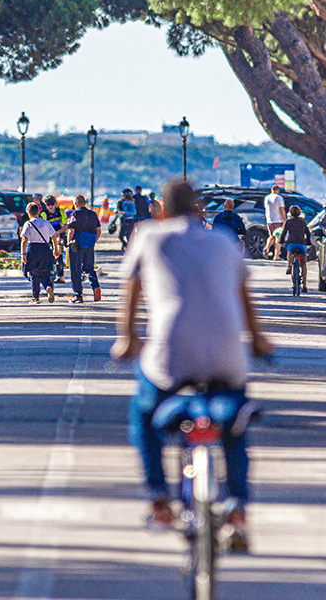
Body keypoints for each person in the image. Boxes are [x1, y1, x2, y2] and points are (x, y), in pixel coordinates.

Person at [111, 181, 273, 548]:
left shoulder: (150, 236)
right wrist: (259, 341)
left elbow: (131, 292)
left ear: (162, 210)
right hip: (226, 356)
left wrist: (127, 339)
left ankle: (158, 500)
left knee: (144, 414)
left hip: (170, 354)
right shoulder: (223, 241)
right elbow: (243, 298)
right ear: (199, 208)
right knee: (234, 426)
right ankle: (237, 509)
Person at [21, 202, 60, 304]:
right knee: (44, 272)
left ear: (29, 213)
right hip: (45, 249)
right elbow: (54, 236)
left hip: (33, 249)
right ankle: (48, 287)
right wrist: (56, 249)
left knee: (34, 273)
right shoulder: (46, 223)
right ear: (39, 212)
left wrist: (23, 254)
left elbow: (24, 239)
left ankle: (36, 297)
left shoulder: (28, 224)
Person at [66, 194, 102, 304]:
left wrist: (68, 243)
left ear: (75, 204)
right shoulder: (93, 214)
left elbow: (71, 231)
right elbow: (98, 230)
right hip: (89, 244)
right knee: (89, 268)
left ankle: (78, 295)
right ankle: (95, 286)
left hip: (77, 245)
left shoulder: (74, 214)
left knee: (75, 270)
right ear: (85, 203)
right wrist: (93, 242)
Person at [281, 205, 311, 291]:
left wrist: (282, 241)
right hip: (302, 243)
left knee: (289, 252)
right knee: (304, 263)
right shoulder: (303, 222)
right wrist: (308, 241)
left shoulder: (289, 222)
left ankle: (289, 266)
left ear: (290, 213)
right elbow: (308, 233)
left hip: (292, 242)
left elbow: (284, 233)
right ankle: (304, 285)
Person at [42, 195, 68, 282]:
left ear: (55, 204)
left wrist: (58, 233)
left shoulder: (61, 211)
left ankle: (61, 276)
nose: (50, 206)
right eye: (48, 204)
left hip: (59, 234)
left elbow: (65, 226)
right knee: (49, 255)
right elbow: (43, 227)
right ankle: (50, 273)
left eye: (52, 204)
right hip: (49, 236)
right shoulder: (44, 214)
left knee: (59, 253)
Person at [264, 185, 286, 259]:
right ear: (278, 190)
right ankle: (276, 256)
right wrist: (284, 219)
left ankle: (266, 248)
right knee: (278, 238)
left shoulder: (266, 197)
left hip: (269, 220)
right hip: (278, 220)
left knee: (271, 236)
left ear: (271, 190)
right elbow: (281, 209)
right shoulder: (279, 198)